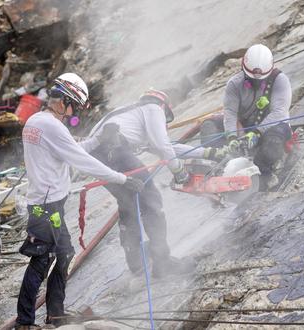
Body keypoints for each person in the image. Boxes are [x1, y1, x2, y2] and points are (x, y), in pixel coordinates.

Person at [15, 73, 145, 329]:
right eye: (74, 107)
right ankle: (25, 322)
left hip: (44, 205)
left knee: (63, 253)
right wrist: (121, 179)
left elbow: (73, 149)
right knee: (42, 259)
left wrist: (98, 139)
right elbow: (81, 159)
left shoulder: (37, 121)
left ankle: (55, 314)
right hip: (47, 206)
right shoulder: (51, 125)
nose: (74, 114)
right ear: (63, 101)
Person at [82, 89, 227, 278]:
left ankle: (137, 265)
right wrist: (179, 172)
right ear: (163, 106)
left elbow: (166, 146)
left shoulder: (131, 115)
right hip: (114, 150)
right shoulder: (153, 109)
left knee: (128, 205)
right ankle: (162, 263)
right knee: (150, 199)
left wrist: (207, 153)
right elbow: (162, 145)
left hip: (98, 157)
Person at [200, 44, 293, 190]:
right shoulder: (234, 84)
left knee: (273, 142)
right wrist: (231, 137)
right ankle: (222, 165)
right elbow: (230, 113)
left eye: (260, 80)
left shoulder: (280, 81)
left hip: (273, 127)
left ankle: (265, 175)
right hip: (244, 126)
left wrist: (257, 133)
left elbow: (279, 113)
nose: (256, 83)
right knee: (209, 126)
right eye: (251, 79)